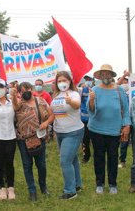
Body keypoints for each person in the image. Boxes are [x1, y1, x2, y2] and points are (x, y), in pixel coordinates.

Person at [87, 64, 131, 194]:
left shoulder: (119, 90)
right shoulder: (94, 89)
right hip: (96, 129)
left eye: (108, 74)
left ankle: (113, 184)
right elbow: (91, 110)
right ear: (100, 76)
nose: (105, 76)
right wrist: (91, 101)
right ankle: (99, 183)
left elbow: (125, 109)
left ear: (112, 75)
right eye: (103, 74)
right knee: (99, 157)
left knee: (113, 156)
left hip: (114, 130)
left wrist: (127, 125)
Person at [11, 82, 54, 201]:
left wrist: (46, 123)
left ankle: (43, 187)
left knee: (41, 165)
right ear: (20, 92)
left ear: (32, 89)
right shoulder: (19, 104)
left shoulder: (41, 101)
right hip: (23, 140)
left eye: (28, 89)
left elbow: (51, 115)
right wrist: (14, 96)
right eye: (22, 90)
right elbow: (14, 107)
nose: (26, 92)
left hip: (39, 138)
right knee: (27, 165)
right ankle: (32, 191)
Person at [50, 71, 85, 199]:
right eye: (59, 81)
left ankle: (70, 191)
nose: (62, 83)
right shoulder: (56, 95)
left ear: (69, 81)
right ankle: (77, 184)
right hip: (60, 132)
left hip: (73, 132)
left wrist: (70, 102)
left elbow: (77, 106)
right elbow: (53, 113)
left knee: (65, 161)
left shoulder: (74, 94)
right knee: (72, 159)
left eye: (64, 80)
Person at [80, 75, 93, 163]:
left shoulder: (96, 89)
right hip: (84, 119)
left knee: (96, 140)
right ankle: (86, 157)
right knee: (85, 140)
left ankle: (98, 157)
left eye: (89, 79)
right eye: (86, 79)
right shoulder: (82, 90)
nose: (88, 81)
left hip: (94, 120)